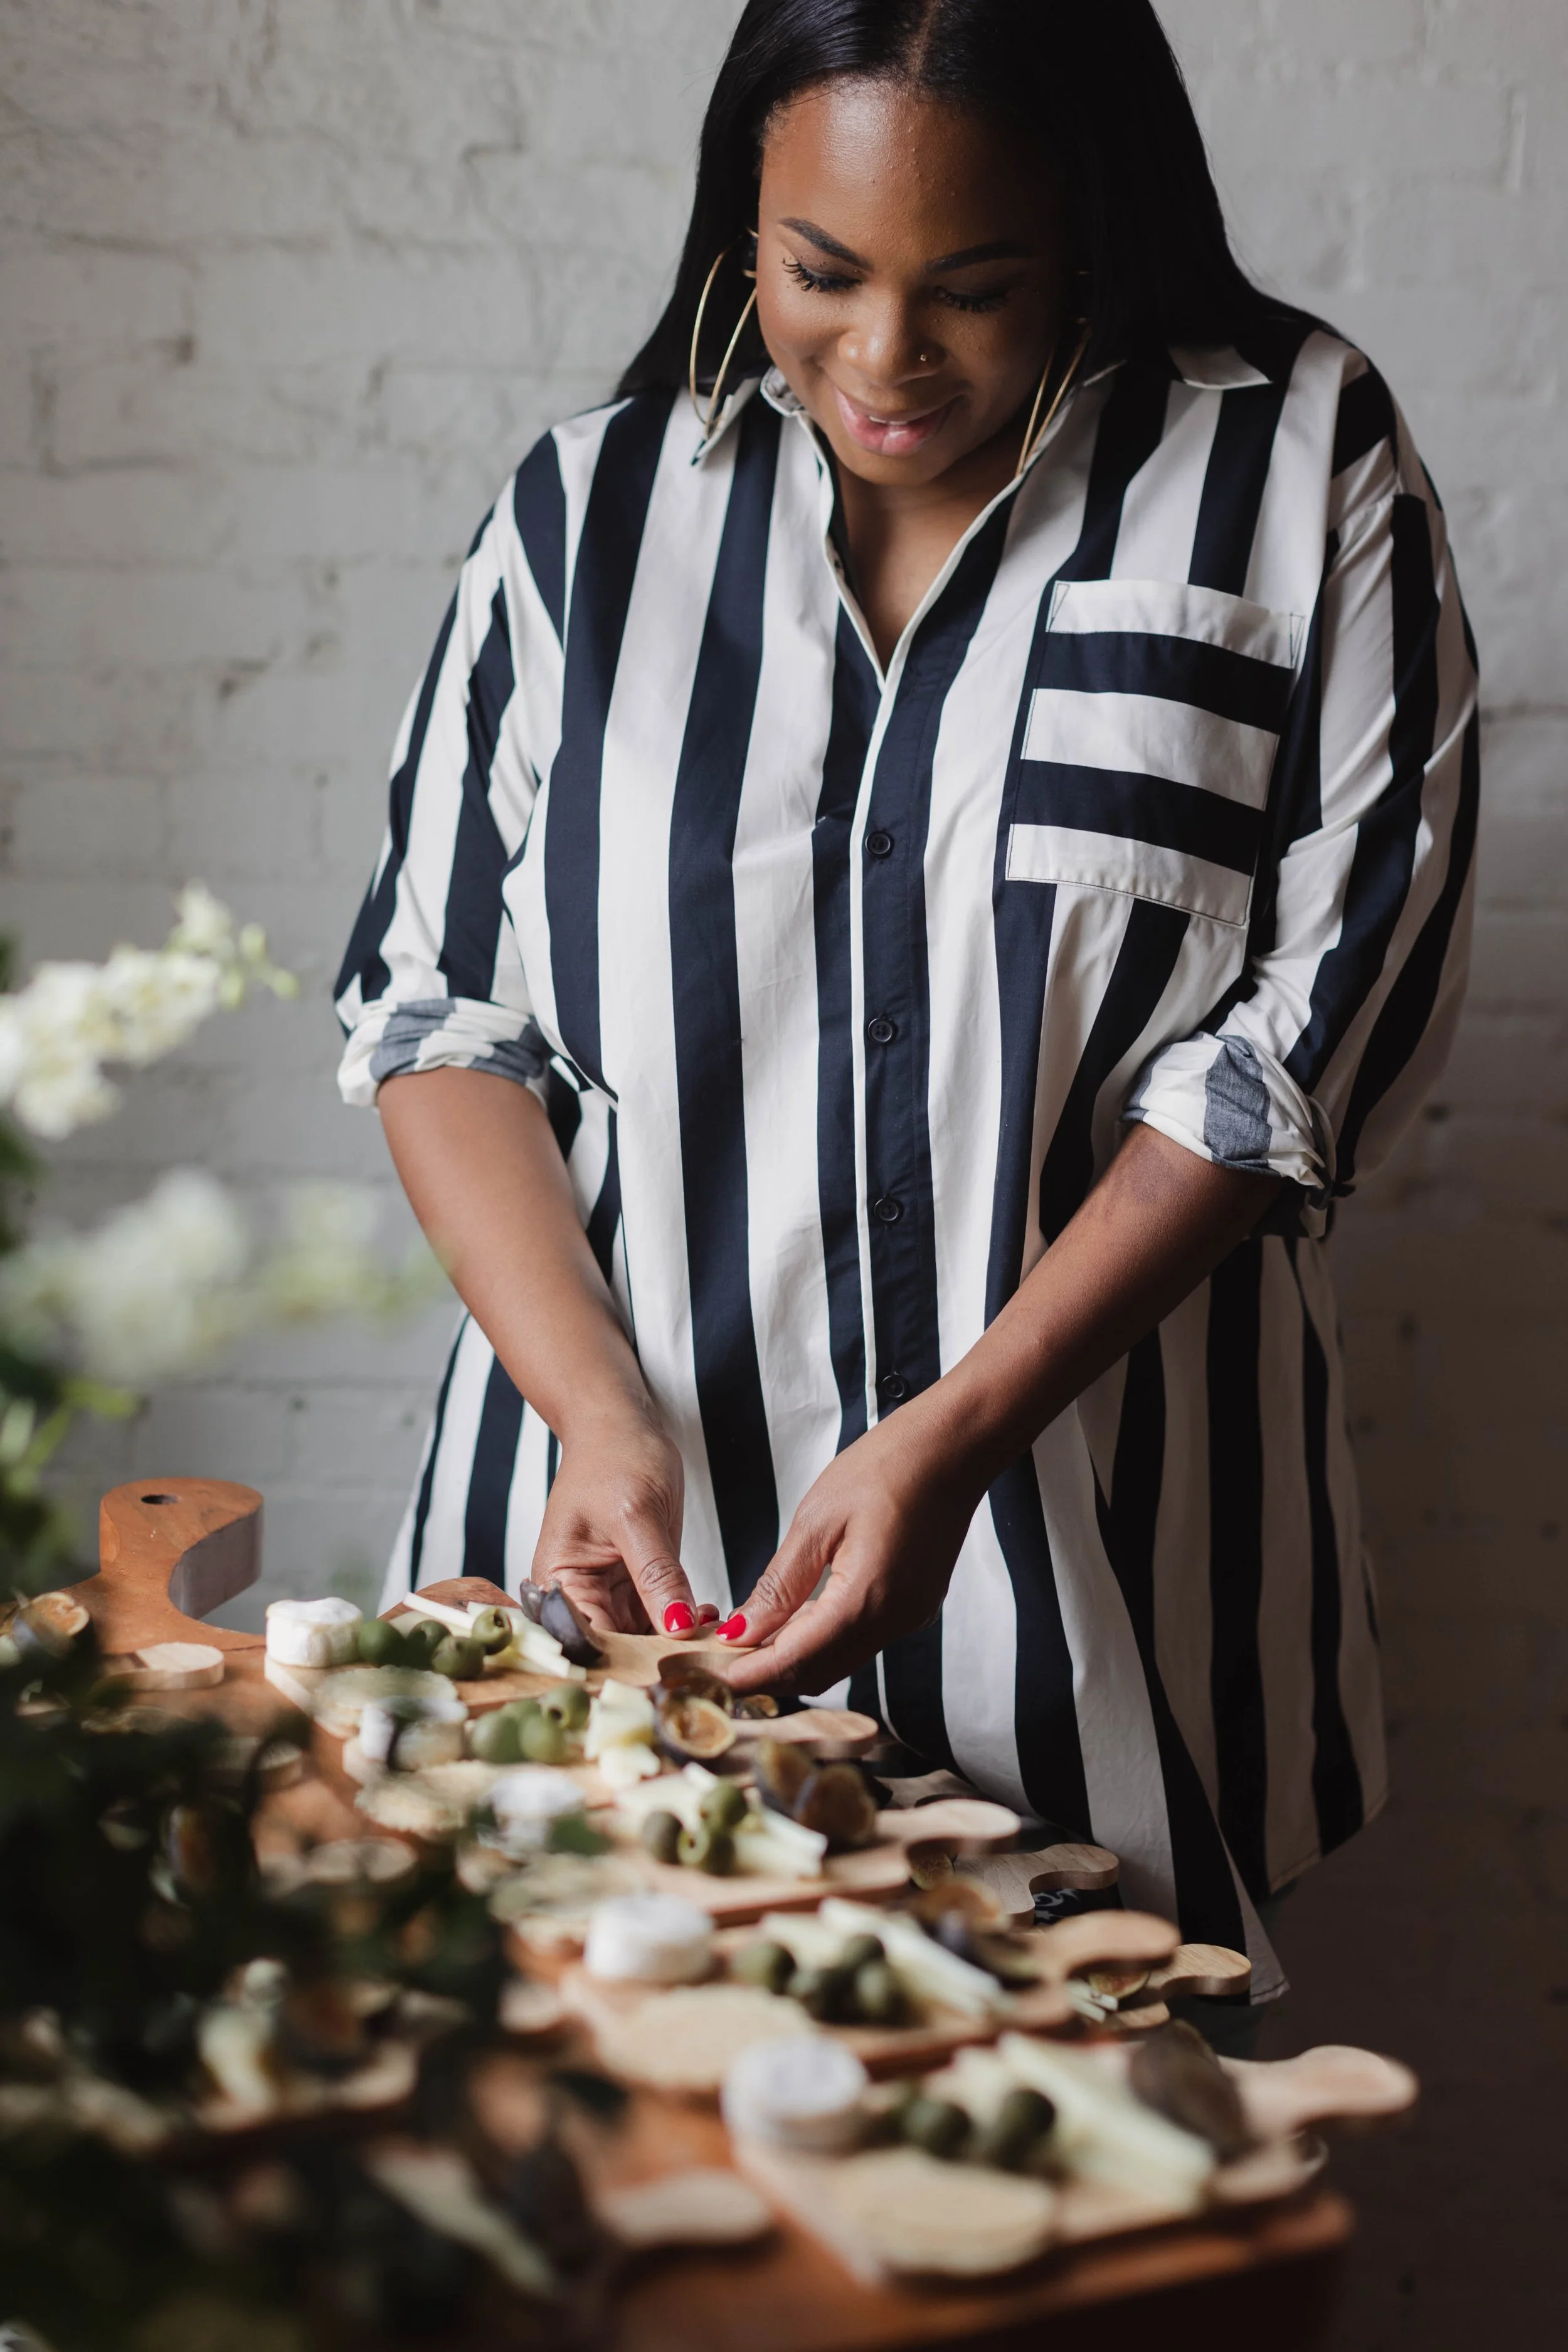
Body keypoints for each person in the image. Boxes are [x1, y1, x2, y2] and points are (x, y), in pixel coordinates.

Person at [335, 0, 1477, 1998]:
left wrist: (955, 1430)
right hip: (625, 1590)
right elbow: (439, 1015)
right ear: (739, 227)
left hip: (1111, 1589)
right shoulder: (585, 516)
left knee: (1094, 2232)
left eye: (975, 288)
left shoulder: (1289, 460)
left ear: (1093, 232)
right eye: (817, 275)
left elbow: (1314, 1037)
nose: (884, 360)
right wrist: (594, 1409)